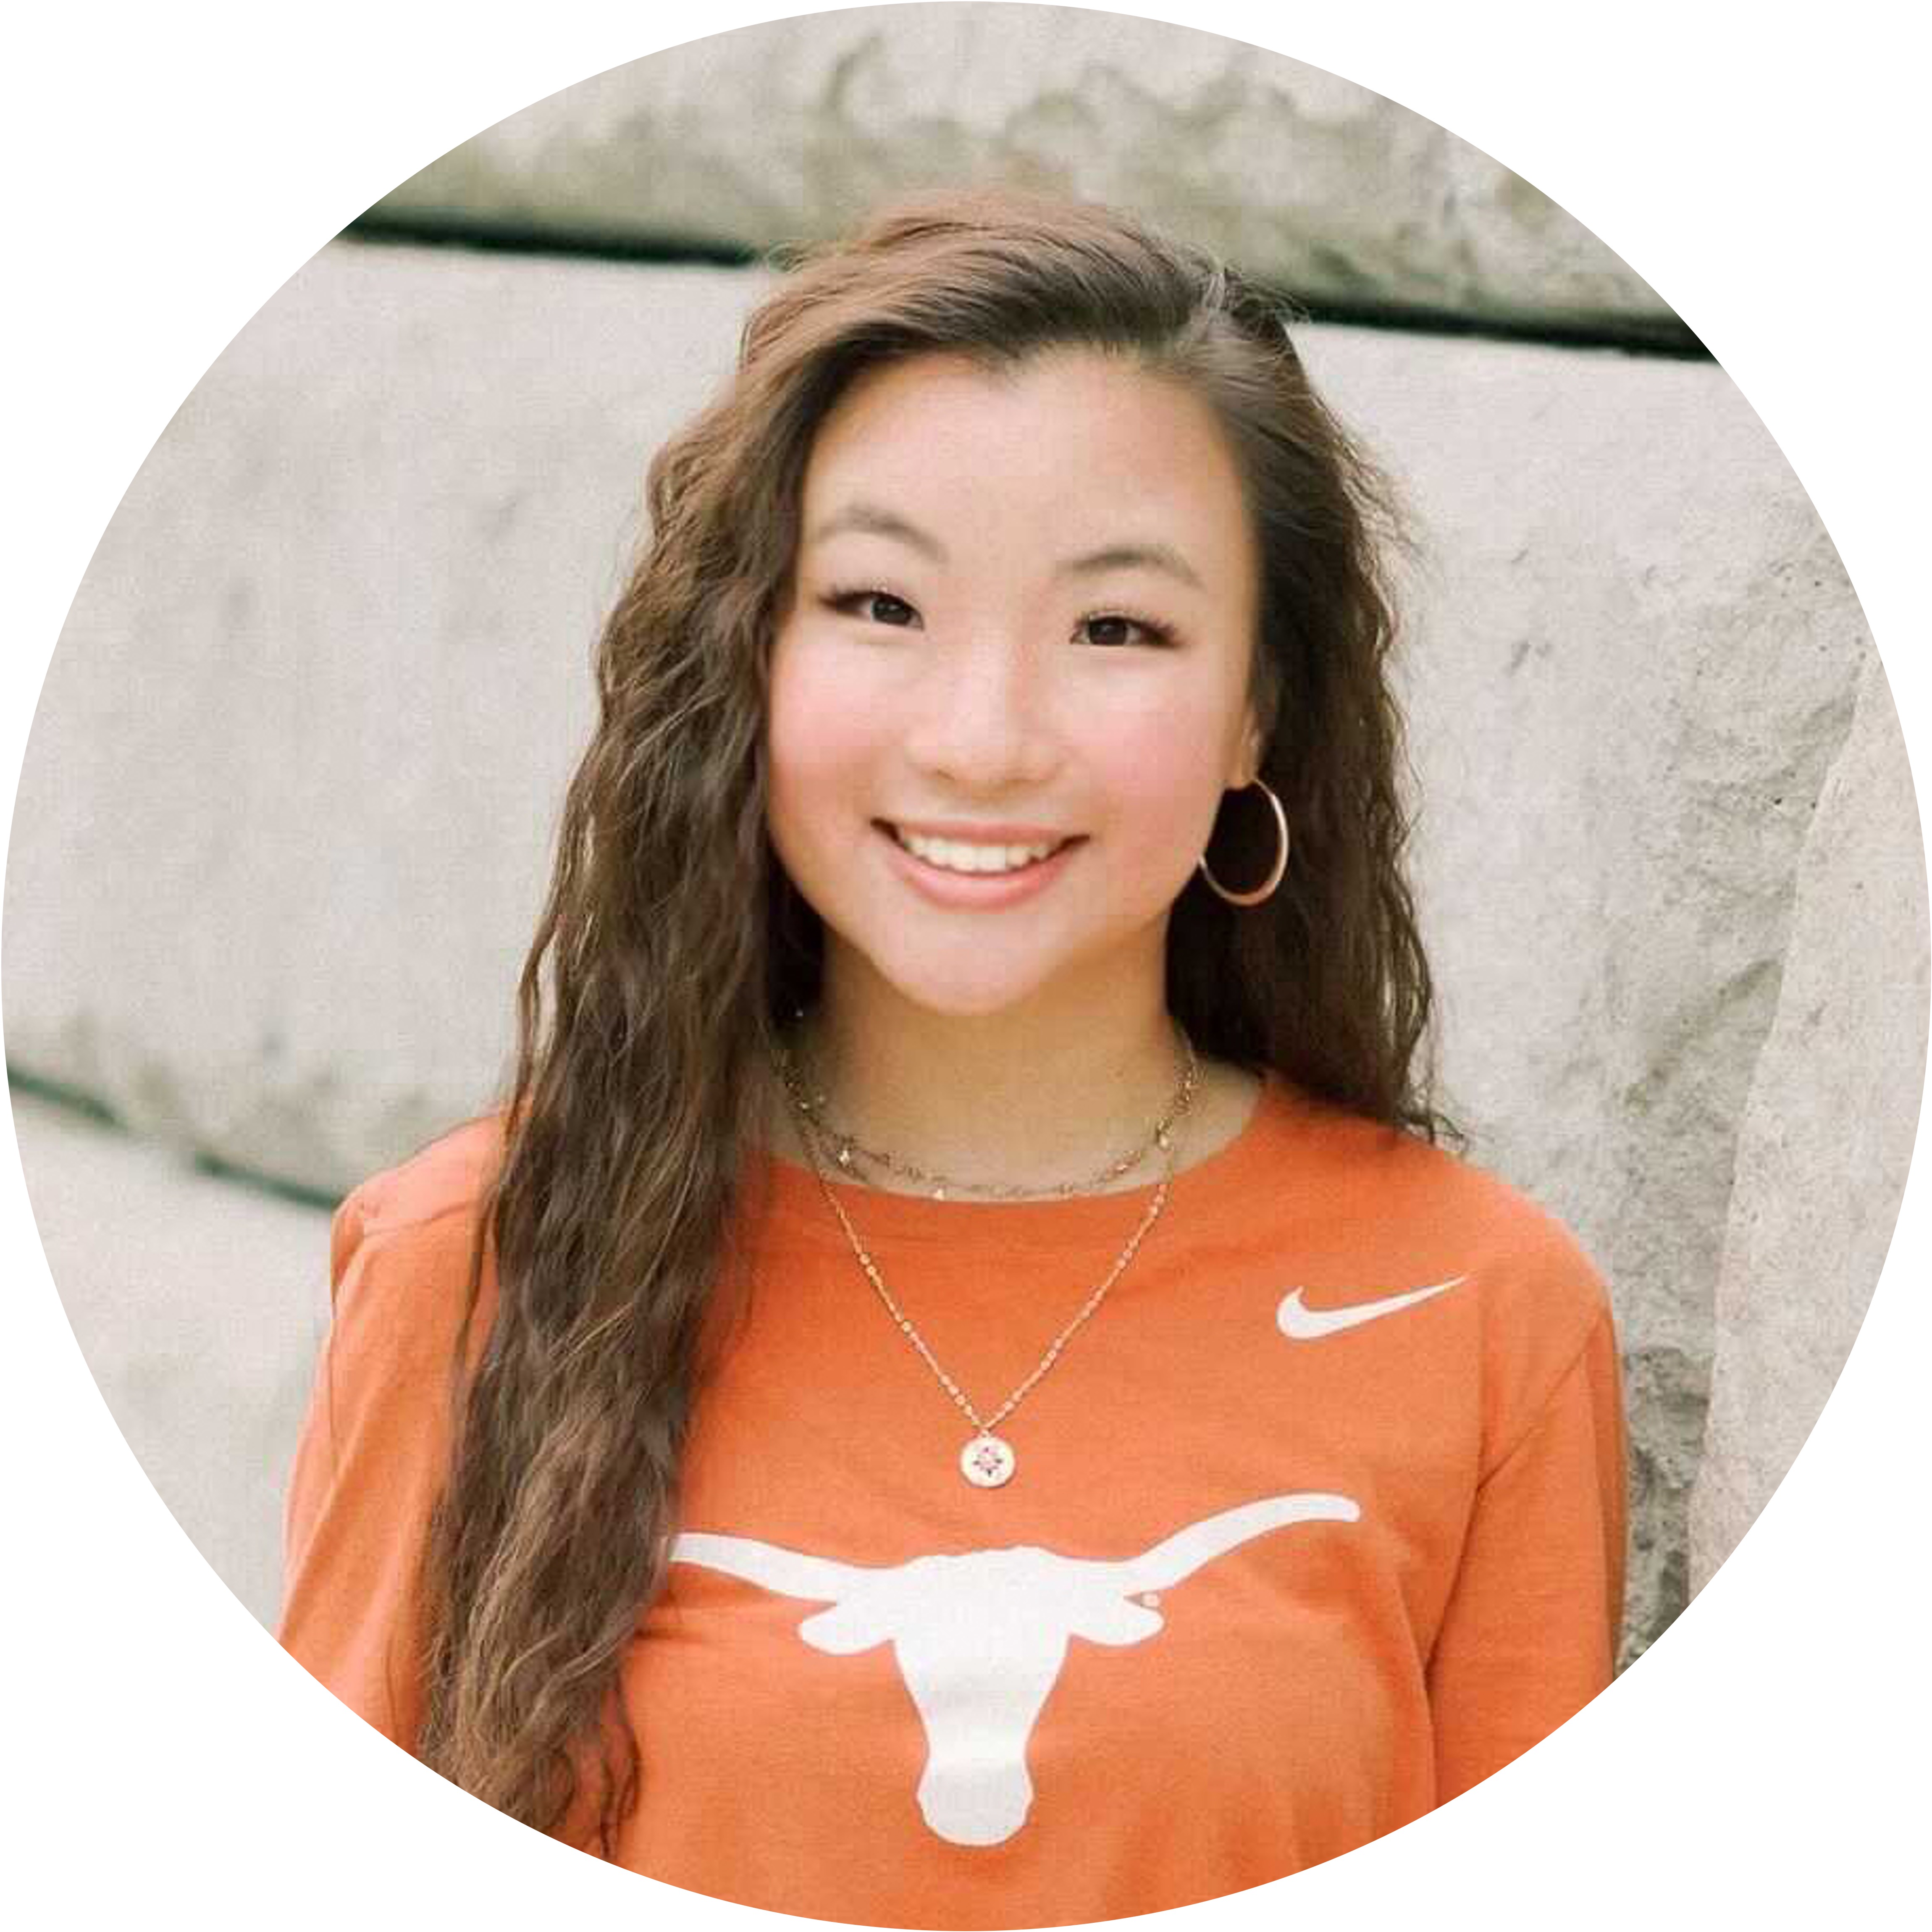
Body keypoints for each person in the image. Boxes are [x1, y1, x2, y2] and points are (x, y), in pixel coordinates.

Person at [278, 186, 1627, 1925]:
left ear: (1255, 712)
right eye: (877, 604)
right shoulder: (477, 1256)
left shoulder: (1476, 1312)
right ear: (745, 654)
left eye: (1115, 628)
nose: (983, 738)